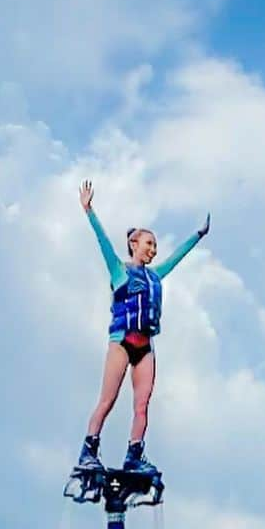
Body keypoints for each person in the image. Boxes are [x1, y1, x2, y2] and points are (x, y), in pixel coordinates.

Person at [75, 180, 210, 477]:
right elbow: (103, 243)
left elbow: (177, 258)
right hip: (122, 340)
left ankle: (134, 454)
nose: (154, 250)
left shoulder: (155, 276)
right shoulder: (119, 270)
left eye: (155, 246)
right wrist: (89, 210)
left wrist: (197, 235)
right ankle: (89, 449)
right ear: (134, 244)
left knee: (142, 405)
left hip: (145, 345)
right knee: (108, 399)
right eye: (149, 244)